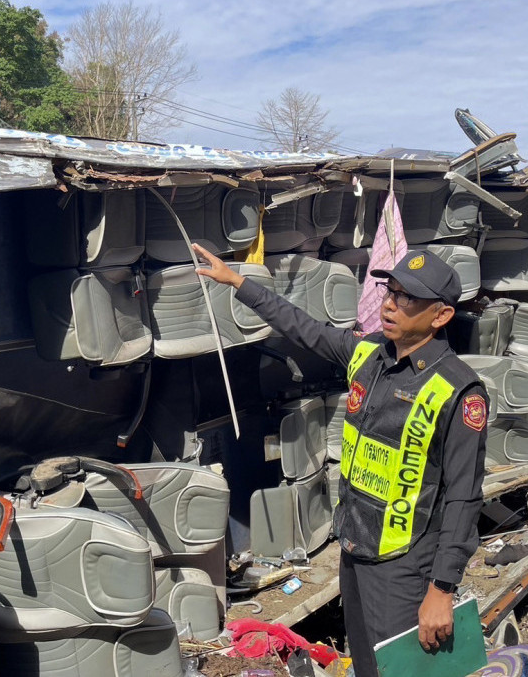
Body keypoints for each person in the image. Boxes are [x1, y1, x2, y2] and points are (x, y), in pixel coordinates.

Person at [193, 244, 487, 677]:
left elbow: (464, 496)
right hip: (354, 545)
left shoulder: (458, 390)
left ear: (440, 316)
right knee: (366, 665)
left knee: (406, 672)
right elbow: (303, 328)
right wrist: (239, 283)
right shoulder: (368, 354)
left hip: (404, 561)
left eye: (408, 298)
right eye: (391, 291)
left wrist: (442, 588)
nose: (390, 304)